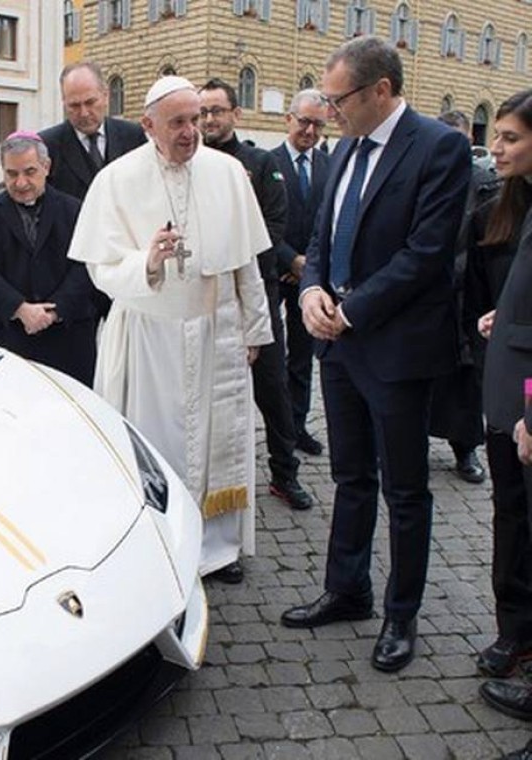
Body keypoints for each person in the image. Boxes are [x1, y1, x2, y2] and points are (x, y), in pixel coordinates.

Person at [280, 37, 471, 674]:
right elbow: (318, 234)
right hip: (337, 346)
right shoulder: (342, 149)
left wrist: (351, 309)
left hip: (395, 348)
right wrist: (310, 291)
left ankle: (401, 613)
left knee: (406, 488)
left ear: (381, 91)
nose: (329, 112)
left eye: (339, 100)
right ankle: (348, 589)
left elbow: (426, 253)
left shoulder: (437, 147)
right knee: (350, 476)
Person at [67, 75, 274, 584]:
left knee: (217, 440)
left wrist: (254, 330)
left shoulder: (226, 172)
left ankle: (218, 547)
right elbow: (101, 267)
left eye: (196, 119)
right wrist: (148, 263)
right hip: (150, 336)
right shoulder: (117, 179)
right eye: (178, 122)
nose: (191, 131)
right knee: (159, 444)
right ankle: (162, 543)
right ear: (148, 125)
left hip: (215, 331)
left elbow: (245, 262)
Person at [199, 79, 315, 515]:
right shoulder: (190, 164)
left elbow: (272, 228)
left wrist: (230, 261)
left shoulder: (260, 163)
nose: (210, 119)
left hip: (254, 294)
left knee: (273, 389)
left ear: (235, 114)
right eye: (203, 111)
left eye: (217, 110)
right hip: (205, 299)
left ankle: (284, 474)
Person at [470, 90, 532, 738]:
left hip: (527, 409)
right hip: (506, 394)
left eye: (510, 137)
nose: (497, 148)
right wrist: (504, 316)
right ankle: (517, 637)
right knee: (510, 523)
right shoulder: (516, 203)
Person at [0, 131, 98, 386]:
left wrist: (55, 310)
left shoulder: (74, 209)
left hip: (69, 334)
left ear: (46, 167)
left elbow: (85, 265)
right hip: (10, 333)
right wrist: (21, 309)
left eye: (29, 172)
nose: (21, 183)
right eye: (12, 174)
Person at [427, 110, 497, 484]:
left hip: (469, 293)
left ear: (468, 141)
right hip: (430, 294)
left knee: (466, 380)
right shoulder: (427, 176)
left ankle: (465, 448)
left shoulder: (486, 182)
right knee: (424, 375)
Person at [269, 90, 331, 457]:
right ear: (288, 119)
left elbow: (329, 221)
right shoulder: (268, 162)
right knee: (272, 357)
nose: (309, 130)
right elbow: (262, 222)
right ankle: (278, 428)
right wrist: (290, 260)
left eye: (318, 124)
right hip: (277, 273)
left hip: (310, 279)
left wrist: (310, 266)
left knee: (303, 358)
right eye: (304, 121)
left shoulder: (328, 165)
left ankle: (298, 425)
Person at [39, 62, 147, 202]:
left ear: (106, 96)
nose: (84, 113)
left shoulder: (133, 136)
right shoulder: (47, 146)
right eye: (74, 105)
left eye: (90, 102)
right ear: (64, 103)